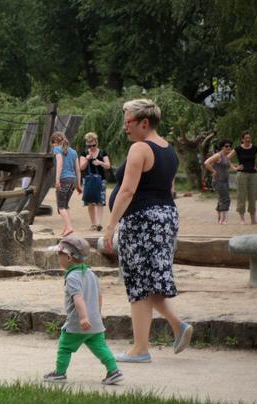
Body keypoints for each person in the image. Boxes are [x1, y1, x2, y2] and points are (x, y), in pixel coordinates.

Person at [104, 99, 192, 363]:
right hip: (165, 217)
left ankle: (141, 349)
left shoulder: (140, 148)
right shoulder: (168, 149)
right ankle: (176, 326)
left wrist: (110, 226)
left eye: (128, 122)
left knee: (138, 283)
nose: (125, 127)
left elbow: (127, 191)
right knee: (149, 281)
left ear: (144, 122)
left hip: (142, 221)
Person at [42, 235, 123, 385]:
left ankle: (60, 373)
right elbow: (99, 296)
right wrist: (97, 314)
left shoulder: (72, 277)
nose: (58, 257)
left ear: (68, 258)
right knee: (101, 348)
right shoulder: (92, 274)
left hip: (78, 323)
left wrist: (83, 318)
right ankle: (114, 371)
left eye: (59, 254)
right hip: (95, 322)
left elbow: (78, 298)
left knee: (65, 347)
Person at [230, 131, 257, 225]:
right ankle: (242, 219)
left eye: (249, 137)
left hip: (253, 175)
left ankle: (253, 219)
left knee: (252, 196)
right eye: (246, 138)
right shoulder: (238, 149)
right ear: (242, 139)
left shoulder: (255, 148)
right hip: (242, 174)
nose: (248, 139)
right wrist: (235, 168)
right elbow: (227, 158)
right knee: (241, 196)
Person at [78, 132, 110, 231]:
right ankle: (93, 224)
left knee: (100, 202)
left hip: (101, 180)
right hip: (89, 180)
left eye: (93, 145)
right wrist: (87, 160)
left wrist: (100, 162)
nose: (91, 147)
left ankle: (99, 223)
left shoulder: (102, 152)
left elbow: (108, 165)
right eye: (89, 145)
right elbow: (81, 167)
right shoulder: (84, 153)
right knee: (90, 202)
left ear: (97, 142)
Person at [52, 132, 82, 237]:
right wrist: (79, 185)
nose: (52, 145)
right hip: (72, 181)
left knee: (61, 206)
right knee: (65, 205)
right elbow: (78, 170)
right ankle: (66, 227)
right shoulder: (73, 152)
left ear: (55, 141)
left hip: (63, 180)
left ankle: (69, 227)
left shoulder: (57, 149)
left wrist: (57, 180)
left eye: (52, 143)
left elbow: (59, 165)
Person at [204, 140, 234, 225]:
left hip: (225, 181)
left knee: (221, 198)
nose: (228, 147)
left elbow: (228, 166)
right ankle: (223, 220)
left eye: (230, 146)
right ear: (222, 147)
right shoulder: (218, 155)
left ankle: (220, 219)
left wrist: (236, 167)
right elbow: (206, 163)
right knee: (226, 199)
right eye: (226, 146)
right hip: (218, 181)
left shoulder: (226, 156)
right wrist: (213, 171)